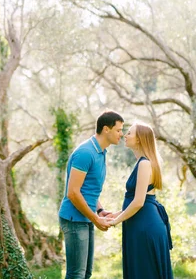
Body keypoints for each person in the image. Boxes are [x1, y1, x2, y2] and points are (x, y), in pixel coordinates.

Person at [58, 111, 125, 279]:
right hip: (74, 219)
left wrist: (101, 211)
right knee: (76, 274)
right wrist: (96, 219)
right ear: (106, 129)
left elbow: (88, 190)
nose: (121, 134)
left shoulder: (101, 152)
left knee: (86, 273)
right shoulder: (85, 153)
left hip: (86, 218)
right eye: (118, 130)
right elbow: (73, 192)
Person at [108, 122, 173, 279]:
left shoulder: (144, 163)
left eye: (129, 133)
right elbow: (138, 200)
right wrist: (114, 214)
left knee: (145, 272)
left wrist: (115, 221)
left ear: (139, 139)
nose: (125, 135)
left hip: (144, 226)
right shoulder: (145, 162)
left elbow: (138, 202)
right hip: (143, 222)